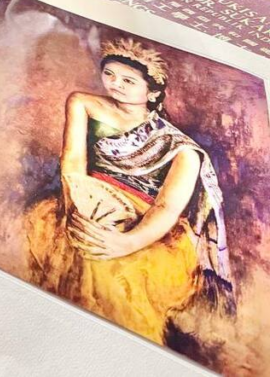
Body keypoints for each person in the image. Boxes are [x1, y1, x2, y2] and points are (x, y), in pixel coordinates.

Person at [25, 38, 235, 345]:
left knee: (112, 272)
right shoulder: (83, 103)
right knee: (63, 243)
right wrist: (77, 209)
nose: (115, 84)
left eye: (128, 81)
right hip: (85, 200)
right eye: (109, 74)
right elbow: (73, 161)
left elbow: (166, 208)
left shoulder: (183, 150)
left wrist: (126, 242)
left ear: (152, 93)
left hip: (147, 226)